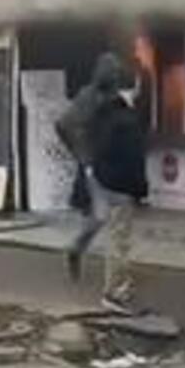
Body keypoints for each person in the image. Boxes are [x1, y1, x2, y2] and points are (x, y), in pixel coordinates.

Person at [83, 68, 149, 313]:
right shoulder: (127, 119)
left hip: (103, 180)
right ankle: (114, 292)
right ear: (134, 86)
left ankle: (120, 285)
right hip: (120, 184)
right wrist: (140, 189)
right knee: (119, 239)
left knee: (114, 234)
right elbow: (134, 158)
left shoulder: (102, 111)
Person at [57, 52, 124, 281]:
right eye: (112, 71)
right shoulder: (89, 96)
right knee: (103, 215)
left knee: (112, 216)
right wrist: (81, 154)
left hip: (110, 163)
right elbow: (63, 124)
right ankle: (77, 249)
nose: (116, 75)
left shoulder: (113, 97)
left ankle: (116, 269)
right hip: (94, 165)